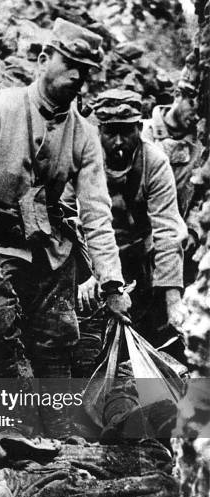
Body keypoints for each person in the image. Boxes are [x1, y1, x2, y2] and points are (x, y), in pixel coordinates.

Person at [0, 18, 130, 387]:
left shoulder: (85, 136)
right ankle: (10, 426)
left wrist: (112, 285)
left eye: (84, 71)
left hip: (47, 248)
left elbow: (97, 213)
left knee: (60, 333)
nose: (76, 76)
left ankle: (59, 427)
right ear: (43, 58)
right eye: (68, 63)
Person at [70, 89, 187, 375]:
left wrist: (173, 300)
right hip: (89, 255)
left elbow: (167, 230)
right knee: (84, 337)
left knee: (154, 333)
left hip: (140, 258)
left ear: (139, 128)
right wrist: (86, 274)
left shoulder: (155, 162)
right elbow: (66, 218)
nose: (119, 142)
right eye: (110, 133)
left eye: (127, 132)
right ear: (98, 130)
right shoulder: (79, 157)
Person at [142, 65, 203, 284]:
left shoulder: (201, 149)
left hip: (179, 252)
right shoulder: (143, 134)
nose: (197, 116)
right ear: (178, 95)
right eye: (193, 106)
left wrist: (193, 230)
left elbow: (202, 198)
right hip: (136, 247)